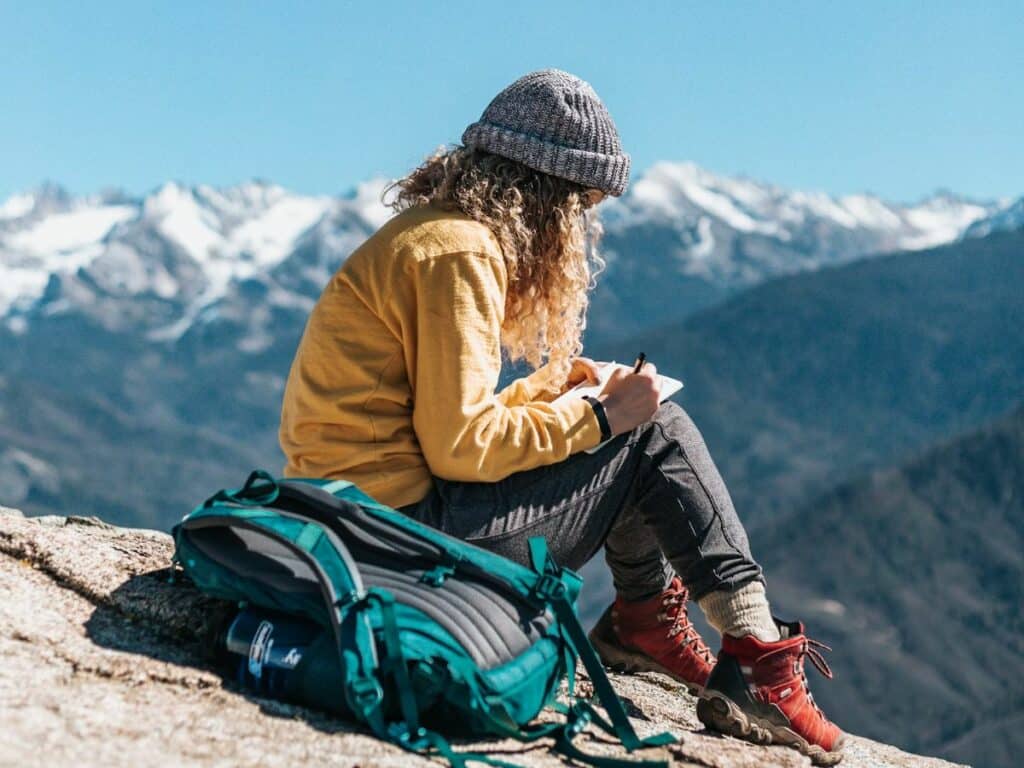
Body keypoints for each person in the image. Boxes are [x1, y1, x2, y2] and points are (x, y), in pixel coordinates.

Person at [278, 68, 844, 766]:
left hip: (354, 522)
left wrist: (549, 395)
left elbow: (427, 421)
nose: (581, 227)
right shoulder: (462, 253)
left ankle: (644, 623)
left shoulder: (429, 236)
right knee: (655, 430)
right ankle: (757, 659)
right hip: (402, 541)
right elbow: (459, 448)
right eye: (582, 206)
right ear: (547, 195)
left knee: (635, 423)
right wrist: (601, 420)